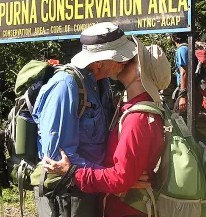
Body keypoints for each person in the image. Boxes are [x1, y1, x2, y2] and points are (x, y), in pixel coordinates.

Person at [43, 37, 172, 217]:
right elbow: (121, 174)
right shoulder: (128, 107)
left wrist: (73, 172)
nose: (125, 58)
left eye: (132, 59)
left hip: (126, 209)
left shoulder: (138, 118)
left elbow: (120, 179)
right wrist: (122, 177)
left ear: (139, 72)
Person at [32, 22, 138, 216]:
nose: (125, 63)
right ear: (99, 61)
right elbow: (56, 157)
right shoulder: (65, 87)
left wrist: (114, 176)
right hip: (68, 194)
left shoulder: (102, 81)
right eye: (121, 59)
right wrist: (111, 178)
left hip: (91, 185)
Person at [171, 32, 188, 113]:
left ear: (172, 38)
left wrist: (183, 96)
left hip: (186, 91)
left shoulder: (182, 50)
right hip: (191, 90)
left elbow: (184, 72)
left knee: (177, 120)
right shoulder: (189, 47)